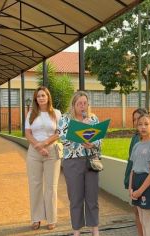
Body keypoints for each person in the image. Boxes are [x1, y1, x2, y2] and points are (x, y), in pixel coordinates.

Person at [57, 91, 102, 236]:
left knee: (92, 197)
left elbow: (100, 139)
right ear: (73, 105)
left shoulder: (93, 118)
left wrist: (92, 144)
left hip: (90, 161)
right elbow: (63, 139)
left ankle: (94, 228)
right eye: (79, 104)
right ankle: (76, 230)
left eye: (85, 103)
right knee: (75, 198)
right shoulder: (65, 119)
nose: (82, 106)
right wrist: (80, 132)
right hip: (72, 162)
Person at [24, 86, 62, 230]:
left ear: (48, 97)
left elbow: (59, 133)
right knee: (35, 185)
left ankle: (51, 219)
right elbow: (27, 134)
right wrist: (39, 147)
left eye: (43, 95)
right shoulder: (31, 114)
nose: (41, 98)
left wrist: (45, 144)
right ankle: (36, 218)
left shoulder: (56, 113)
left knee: (51, 187)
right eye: (38, 96)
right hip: (34, 153)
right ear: (36, 98)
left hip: (52, 152)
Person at [128, 114, 150, 236]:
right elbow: (133, 168)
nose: (143, 127)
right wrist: (131, 188)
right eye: (140, 124)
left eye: (146, 124)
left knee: (147, 221)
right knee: (141, 220)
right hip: (136, 184)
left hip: (146, 186)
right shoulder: (137, 145)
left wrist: (141, 190)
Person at [123, 107, 148, 236]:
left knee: (145, 215)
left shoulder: (149, 141)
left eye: (139, 118)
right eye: (134, 120)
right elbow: (131, 161)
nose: (137, 122)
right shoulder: (135, 138)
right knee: (137, 213)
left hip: (143, 182)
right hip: (133, 180)